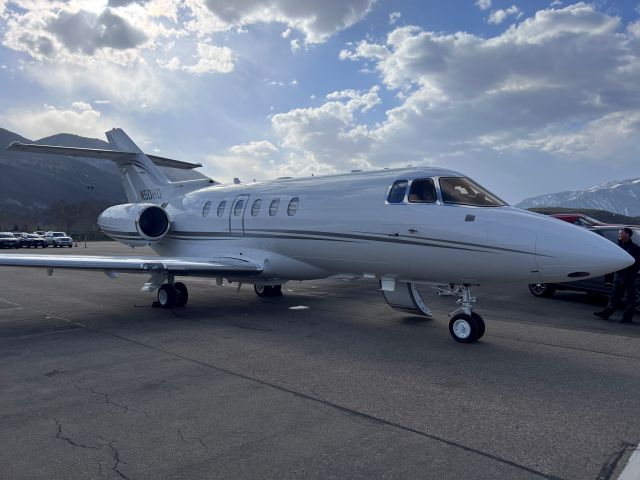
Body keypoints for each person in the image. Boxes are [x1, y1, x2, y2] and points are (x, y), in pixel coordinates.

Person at [594, 227, 640, 323]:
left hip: (629, 278)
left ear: (627, 235)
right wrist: (609, 278)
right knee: (614, 297)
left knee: (630, 299)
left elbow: (636, 264)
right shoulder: (617, 247)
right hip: (618, 277)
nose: (619, 235)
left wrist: (629, 274)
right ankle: (606, 314)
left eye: (621, 233)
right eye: (619, 233)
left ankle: (627, 318)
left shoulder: (635, 249)